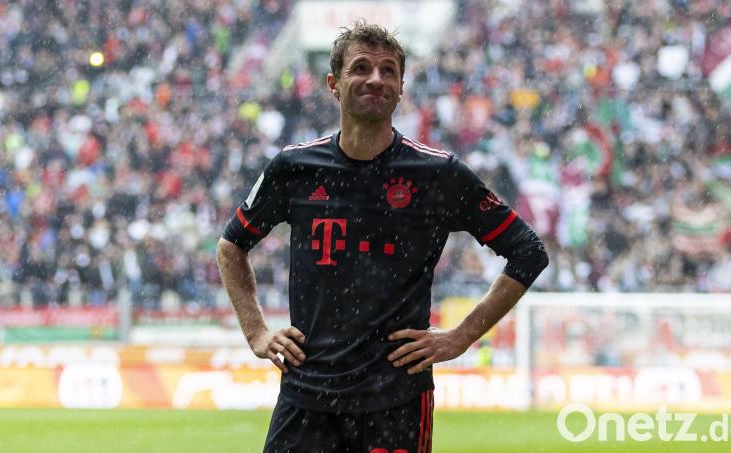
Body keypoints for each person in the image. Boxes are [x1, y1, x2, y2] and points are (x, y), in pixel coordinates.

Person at [217, 21, 548, 453]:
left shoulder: (437, 174)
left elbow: (528, 252)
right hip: (306, 396)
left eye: (388, 70)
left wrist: (461, 336)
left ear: (401, 89)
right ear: (334, 84)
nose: (376, 79)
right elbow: (231, 246)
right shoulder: (294, 168)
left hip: (396, 401)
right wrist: (256, 332)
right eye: (361, 68)